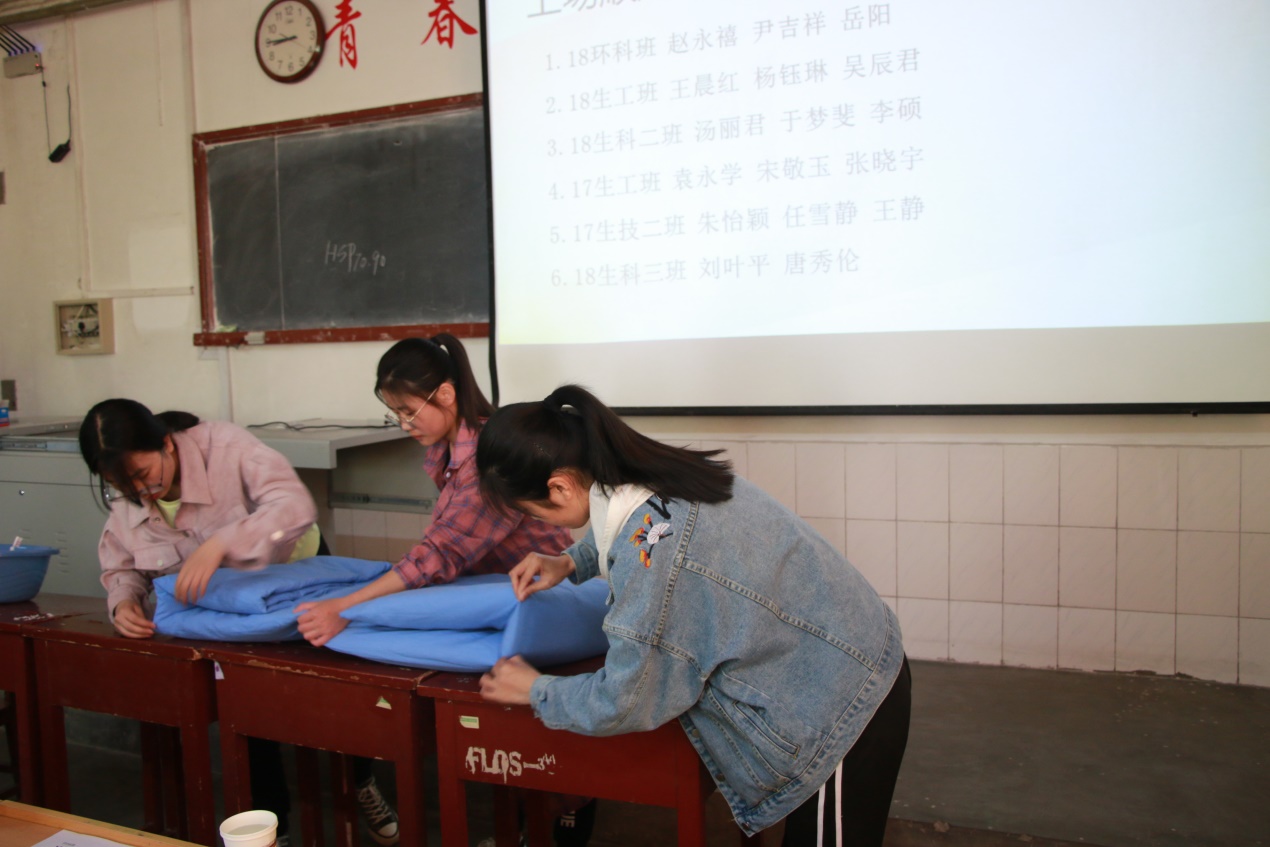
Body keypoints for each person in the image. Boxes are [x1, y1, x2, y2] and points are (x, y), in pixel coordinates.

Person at [475, 385, 912, 847]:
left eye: (532, 513)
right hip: (851, 654)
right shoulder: (654, 473)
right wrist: (570, 561)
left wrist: (537, 690)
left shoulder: (652, 559)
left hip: (840, 707)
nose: (542, 524)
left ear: (560, 487)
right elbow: (638, 531)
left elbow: (626, 698)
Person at [293, 334, 595, 846]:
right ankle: (529, 828)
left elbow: (439, 555)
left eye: (409, 411)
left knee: (548, 753)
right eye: (395, 413)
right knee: (518, 738)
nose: (404, 424)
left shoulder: (485, 459)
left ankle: (564, 820)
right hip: (505, 596)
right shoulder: (451, 447)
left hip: (543, 602)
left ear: (447, 395)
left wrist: (345, 606)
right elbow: (442, 550)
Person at [78, 398, 321, 846]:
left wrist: (224, 542)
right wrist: (124, 601)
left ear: (167, 444)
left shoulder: (225, 446)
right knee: (244, 711)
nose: (142, 492)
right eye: (122, 486)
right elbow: (121, 564)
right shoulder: (129, 496)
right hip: (222, 613)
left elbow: (295, 504)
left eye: (144, 475)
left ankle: (360, 780)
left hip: (297, 583)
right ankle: (273, 831)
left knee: (328, 700)